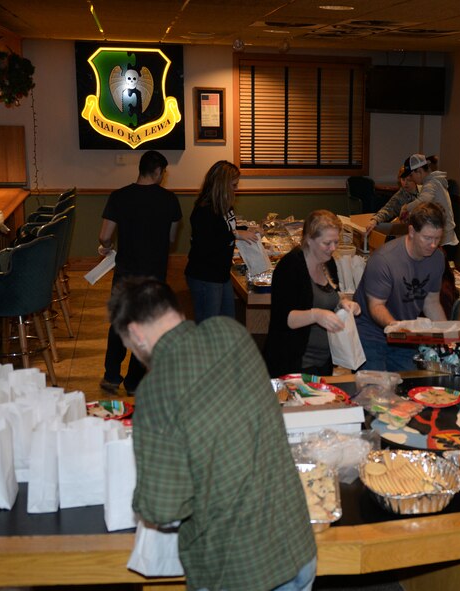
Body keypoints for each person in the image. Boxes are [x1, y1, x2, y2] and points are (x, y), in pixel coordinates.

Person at [108, 277, 316, 591]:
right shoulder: (230, 331)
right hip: (297, 545)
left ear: (135, 333)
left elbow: (163, 508)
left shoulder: (156, 389)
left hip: (238, 571)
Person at [98, 150, 181, 395]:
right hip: (154, 273)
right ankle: (134, 382)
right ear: (158, 172)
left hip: (126, 272)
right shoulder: (170, 200)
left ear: (141, 169)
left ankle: (112, 376)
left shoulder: (119, 196)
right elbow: (172, 238)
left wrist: (108, 247)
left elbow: (104, 235)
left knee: (119, 323)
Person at [263, 210, 361, 378]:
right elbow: (283, 319)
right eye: (327, 243)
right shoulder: (290, 267)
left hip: (322, 362)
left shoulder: (328, 262)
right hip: (293, 362)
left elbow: (330, 295)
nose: (333, 248)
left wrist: (343, 303)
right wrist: (315, 315)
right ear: (309, 239)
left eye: (336, 242)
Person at [354, 202, 447, 371]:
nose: (433, 245)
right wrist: (398, 328)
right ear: (411, 231)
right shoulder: (384, 259)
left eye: (437, 238)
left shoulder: (437, 259)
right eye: (427, 238)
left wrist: (446, 335)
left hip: (404, 336)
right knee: (374, 391)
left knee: (410, 386)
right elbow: (376, 307)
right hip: (370, 334)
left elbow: (431, 302)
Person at [185, 160, 258, 323]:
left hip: (221, 273)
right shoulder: (204, 210)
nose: (236, 189)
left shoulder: (224, 206)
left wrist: (245, 229)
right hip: (205, 275)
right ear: (222, 186)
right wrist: (236, 234)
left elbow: (224, 227)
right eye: (233, 185)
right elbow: (208, 243)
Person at [398, 154, 458, 256]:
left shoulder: (431, 184)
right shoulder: (432, 182)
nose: (411, 180)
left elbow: (423, 200)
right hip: (447, 238)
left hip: (445, 241)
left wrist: (406, 208)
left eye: (411, 176)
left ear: (419, 171)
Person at [364, 165, 419, 234]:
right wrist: (374, 220)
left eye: (409, 180)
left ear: (416, 180)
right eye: (403, 179)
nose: (405, 183)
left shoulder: (424, 191)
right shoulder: (400, 196)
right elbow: (387, 209)